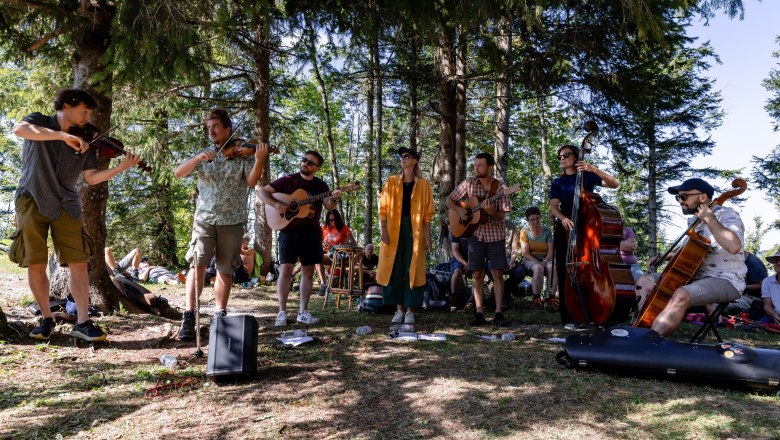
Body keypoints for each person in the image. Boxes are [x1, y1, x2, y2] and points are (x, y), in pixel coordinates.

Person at [10, 88, 141, 342]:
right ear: (66, 107)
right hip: (32, 198)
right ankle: (47, 319)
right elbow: (19, 130)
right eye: (84, 110)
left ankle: (83, 322)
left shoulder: (87, 140)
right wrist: (60, 136)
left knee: (79, 263)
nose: (88, 116)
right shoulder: (39, 121)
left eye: (90, 112)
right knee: (36, 263)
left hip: (66, 204)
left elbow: (91, 178)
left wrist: (120, 168)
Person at [173, 108, 268, 340]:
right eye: (209, 128)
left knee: (225, 269)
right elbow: (178, 173)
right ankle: (189, 317)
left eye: (216, 126)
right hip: (204, 219)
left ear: (228, 128)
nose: (211, 131)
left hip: (232, 221)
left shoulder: (243, 155)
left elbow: (252, 181)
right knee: (197, 266)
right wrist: (198, 158)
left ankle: (220, 314)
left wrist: (259, 159)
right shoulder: (204, 154)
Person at [639, 178, 746, 337]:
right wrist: (663, 257)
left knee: (682, 293)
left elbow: (734, 246)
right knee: (645, 280)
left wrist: (710, 219)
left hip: (727, 279)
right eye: (678, 197)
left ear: (702, 197)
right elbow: (689, 253)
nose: (680, 201)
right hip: (694, 278)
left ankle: (649, 340)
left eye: (684, 197)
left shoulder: (726, 214)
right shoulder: (694, 222)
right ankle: (640, 326)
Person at [258, 150, 340, 327]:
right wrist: (276, 204)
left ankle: (303, 312)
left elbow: (328, 205)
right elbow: (262, 192)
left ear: (317, 168)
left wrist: (334, 199)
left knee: (308, 271)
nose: (305, 163)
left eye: (310, 163)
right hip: (288, 232)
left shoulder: (321, 186)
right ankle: (281, 312)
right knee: (286, 269)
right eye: (304, 160)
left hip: (311, 232)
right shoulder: (288, 180)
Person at [549, 144, 619, 330]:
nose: (562, 159)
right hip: (566, 229)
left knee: (587, 271)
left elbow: (614, 183)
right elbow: (554, 206)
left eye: (566, 155)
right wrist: (563, 218)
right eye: (560, 157)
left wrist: (593, 169)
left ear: (576, 157)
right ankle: (569, 317)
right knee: (566, 272)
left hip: (588, 228)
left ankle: (592, 312)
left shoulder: (587, 176)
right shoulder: (558, 182)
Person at [448, 152, 511, 327]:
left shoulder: (500, 187)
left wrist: (491, 212)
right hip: (475, 235)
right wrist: (460, 211)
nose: (476, 168)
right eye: (475, 165)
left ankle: (498, 313)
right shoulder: (468, 183)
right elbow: (450, 200)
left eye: (480, 165)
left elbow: (503, 216)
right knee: (477, 274)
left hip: (495, 235)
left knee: (497, 273)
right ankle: (479, 312)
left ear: (489, 168)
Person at [376, 147, 434, 326]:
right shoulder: (392, 181)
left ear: (415, 160)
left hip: (414, 230)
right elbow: (383, 208)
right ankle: (399, 309)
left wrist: (428, 236)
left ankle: (410, 310)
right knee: (394, 268)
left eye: (407, 156)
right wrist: (383, 229)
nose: (403, 159)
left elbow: (428, 213)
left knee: (413, 268)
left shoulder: (424, 185)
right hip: (393, 229)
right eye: (401, 157)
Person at [519, 206, 556, 301]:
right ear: (528, 220)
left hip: (545, 259)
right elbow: (525, 253)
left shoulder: (547, 231)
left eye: (537, 218)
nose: (535, 221)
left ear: (540, 217)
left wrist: (545, 261)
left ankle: (552, 298)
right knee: (538, 268)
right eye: (532, 219)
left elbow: (550, 251)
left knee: (552, 268)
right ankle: (536, 299)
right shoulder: (524, 231)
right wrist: (539, 263)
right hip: (529, 260)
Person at [316, 208, 356, 292]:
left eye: (335, 219)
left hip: (338, 255)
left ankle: (338, 283)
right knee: (316, 258)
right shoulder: (324, 228)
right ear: (328, 220)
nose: (333, 222)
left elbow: (354, 243)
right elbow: (317, 242)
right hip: (326, 254)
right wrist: (323, 244)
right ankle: (323, 284)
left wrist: (343, 245)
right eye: (331, 220)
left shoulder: (344, 228)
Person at [449, 233, 469, 312]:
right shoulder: (456, 231)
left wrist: (471, 263)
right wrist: (465, 263)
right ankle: (453, 298)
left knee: (478, 273)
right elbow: (455, 250)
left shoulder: (475, 229)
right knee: (457, 271)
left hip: (474, 258)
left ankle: (472, 301)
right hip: (458, 259)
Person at [760, 250, 780, 325]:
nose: (778, 263)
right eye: (776, 260)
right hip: (774, 315)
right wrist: (774, 316)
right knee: (760, 325)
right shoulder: (767, 281)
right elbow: (767, 306)